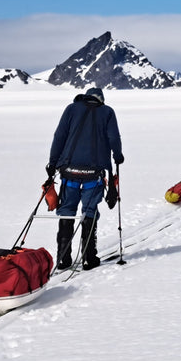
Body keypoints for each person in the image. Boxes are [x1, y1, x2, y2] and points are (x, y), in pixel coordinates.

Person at [46, 87, 124, 271]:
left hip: (69, 172)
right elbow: (114, 137)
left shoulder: (71, 109)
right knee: (89, 211)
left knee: (67, 211)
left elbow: (59, 136)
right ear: (101, 99)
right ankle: (89, 257)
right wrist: (118, 155)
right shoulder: (107, 112)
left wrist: (52, 162)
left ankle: (63, 259)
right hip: (93, 174)